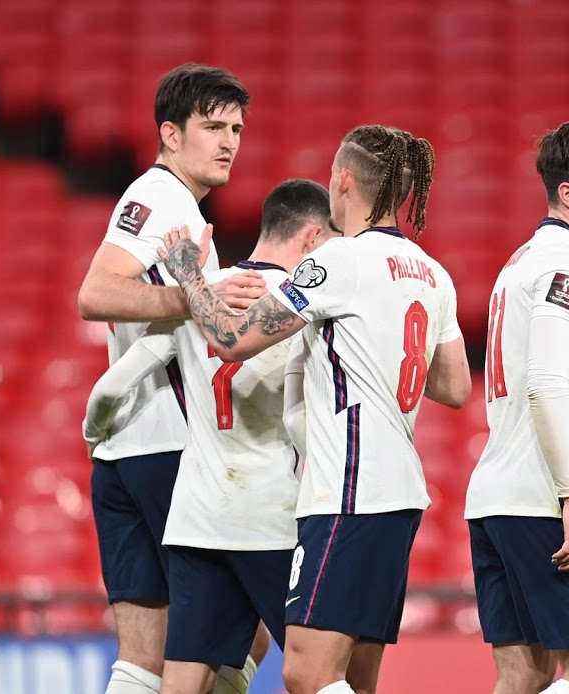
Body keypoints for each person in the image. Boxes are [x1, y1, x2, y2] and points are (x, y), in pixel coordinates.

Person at [155, 124, 472, 694]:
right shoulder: (434, 274)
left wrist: (188, 275)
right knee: (354, 677)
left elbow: (231, 339)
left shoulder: (339, 260)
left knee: (305, 673)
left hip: (348, 492)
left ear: (342, 180)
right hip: (401, 496)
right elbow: (454, 386)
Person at [82, 180, 337, 694]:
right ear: (312, 238)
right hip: (270, 517)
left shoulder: (203, 292)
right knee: (323, 675)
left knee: (183, 681)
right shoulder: (301, 306)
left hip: (196, 517)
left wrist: (95, 435)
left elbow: (112, 385)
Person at [75, 62, 268, 694]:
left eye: (237, 128)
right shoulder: (161, 198)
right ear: (171, 134)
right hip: (171, 452)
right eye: (213, 126)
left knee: (142, 659)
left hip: (124, 452)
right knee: (246, 630)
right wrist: (196, 294)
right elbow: (97, 291)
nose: (229, 141)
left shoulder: (168, 201)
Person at [464, 121, 569, 694]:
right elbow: (543, 381)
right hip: (538, 500)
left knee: (523, 677)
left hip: (494, 497)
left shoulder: (521, 261)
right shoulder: (568, 263)